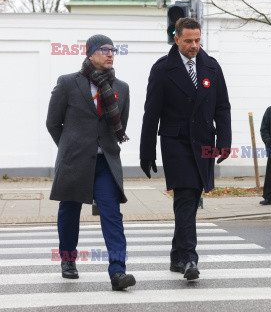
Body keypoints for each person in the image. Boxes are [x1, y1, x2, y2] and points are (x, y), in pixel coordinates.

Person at [140, 18, 231, 281]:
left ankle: (177, 255)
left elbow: (222, 107)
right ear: (176, 39)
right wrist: (147, 152)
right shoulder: (162, 69)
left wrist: (224, 142)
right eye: (188, 40)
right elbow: (151, 113)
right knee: (186, 195)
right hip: (176, 143)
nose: (194, 45)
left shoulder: (212, 67)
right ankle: (190, 258)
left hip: (204, 143)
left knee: (190, 199)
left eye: (198, 40)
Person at [46, 34, 135, 291]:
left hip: (105, 161)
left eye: (112, 50)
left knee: (111, 214)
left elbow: (121, 125)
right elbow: (53, 123)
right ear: (90, 53)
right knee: (70, 210)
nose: (110, 54)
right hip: (74, 159)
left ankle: (118, 271)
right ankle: (68, 260)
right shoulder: (67, 83)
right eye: (104, 50)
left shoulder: (122, 87)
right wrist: (70, 146)